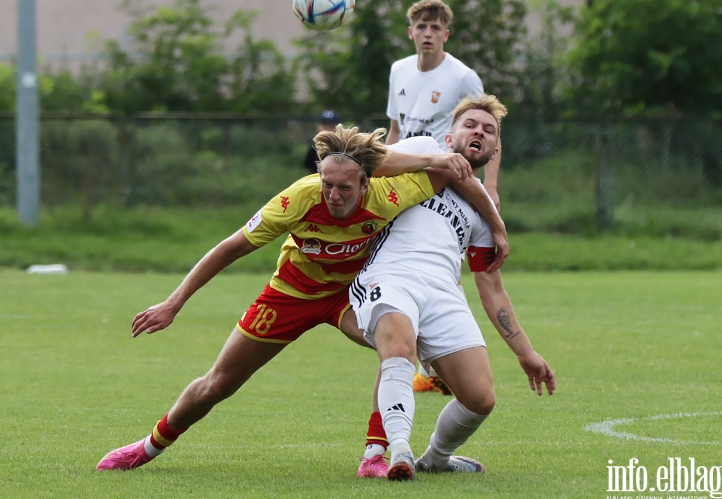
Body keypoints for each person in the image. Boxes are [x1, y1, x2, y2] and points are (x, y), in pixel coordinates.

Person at [96, 124, 509, 471]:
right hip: (291, 294)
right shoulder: (297, 199)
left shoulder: (391, 195)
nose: (333, 194)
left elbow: (460, 177)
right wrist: (173, 302)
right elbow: (230, 248)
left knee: (398, 347)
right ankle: (147, 448)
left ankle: (375, 454)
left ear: (368, 182)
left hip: (350, 296)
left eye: (344, 187)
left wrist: (495, 225)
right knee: (219, 383)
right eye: (327, 184)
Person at [351, 95, 555, 481]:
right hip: (391, 275)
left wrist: (526, 353)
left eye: (488, 130)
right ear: (450, 136)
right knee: (399, 350)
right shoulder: (424, 148)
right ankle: (397, 452)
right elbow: (369, 160)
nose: (479, 131)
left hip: (444, 292)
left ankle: (437, 458)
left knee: (480, 398)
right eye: (470, 125)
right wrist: (434, 161)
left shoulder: (484, 213)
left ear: (495, 150)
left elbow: (492, 287)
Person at [385, 0, 503, 394]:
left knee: (441, 266)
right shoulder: (398, 70)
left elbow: (488, 134)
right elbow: (396, 132)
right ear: (411, 32)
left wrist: (489, 187)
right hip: (409, 179)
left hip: (451, 183)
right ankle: (430, 362)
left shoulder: (463, 77)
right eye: (422, 26)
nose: (429, 34)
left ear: (446, 35)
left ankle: (440, 359)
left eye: (436, 28)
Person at [303, 110, 341, 174]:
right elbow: (311, 170)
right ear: (318, 126)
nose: (327, 128)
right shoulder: (313, 147)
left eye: (330, 125)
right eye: (324, 125)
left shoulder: (342, 147)